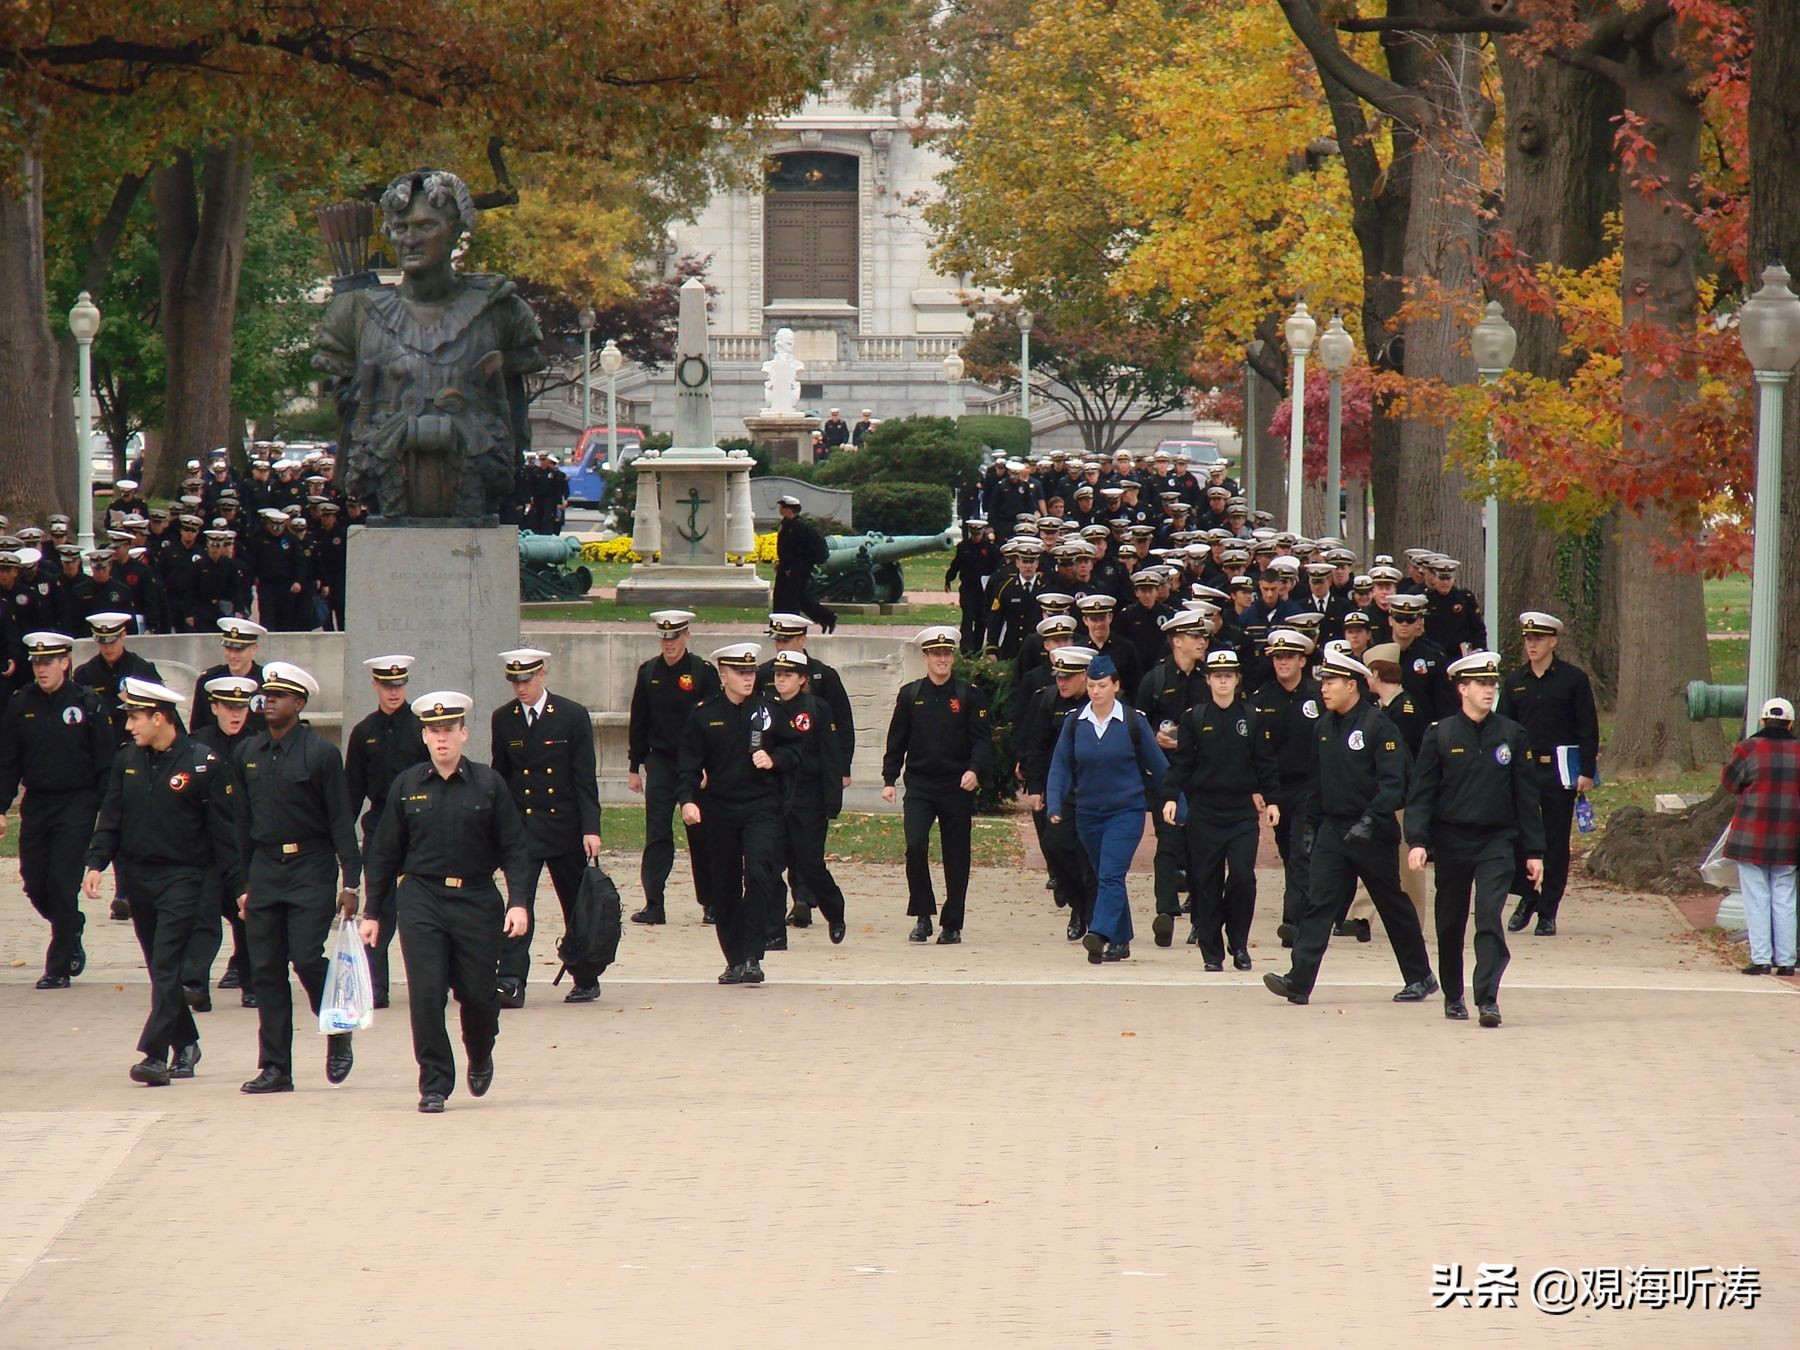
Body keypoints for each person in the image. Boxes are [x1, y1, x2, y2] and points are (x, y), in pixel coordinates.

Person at [361, 691, 533, 1113]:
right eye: (434, 731)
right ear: (425, 736)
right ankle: (434, 1082)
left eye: (449, 731)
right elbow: (383, 854)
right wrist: (372, 912)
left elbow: (515, 848)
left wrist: (519, 902)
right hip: (422, 898)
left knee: (476, 995)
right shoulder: (408, 785)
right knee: (426, 993)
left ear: (463, 734)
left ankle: (480, 1049)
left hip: (476, 898)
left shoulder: (489, 784)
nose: (442, 739)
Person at [85, 677, 241, 1086]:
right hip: (140, 878)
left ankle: (154, 1055)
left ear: (160, 717)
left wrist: (240, 886)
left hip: (185, 877)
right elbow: (112, 816)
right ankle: (186, 1043)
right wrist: (97, 862)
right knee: (160, 969)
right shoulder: (128, 760)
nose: (129, 726)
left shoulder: (202, 762)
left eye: (135, 717)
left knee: (169, 962)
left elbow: (225, 832)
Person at [1263, 648, 1438, 1007]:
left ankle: (1420, 976)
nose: (1324, 689)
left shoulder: (1378, 725)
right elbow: (1317, 781)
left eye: (1331, 682)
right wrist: (1311, 826)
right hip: (1333, 828)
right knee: (1320, 903)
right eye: (1323, 682)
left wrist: (1371, 819)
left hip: (1371, 832)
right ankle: (1300, 980)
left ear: (1352, 685)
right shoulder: (1324, 726)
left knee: (1391, 904)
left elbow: (1396, 783)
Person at [228, 661, 362, 1094]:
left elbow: (341, 819)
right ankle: (276, 1067)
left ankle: (337, 1029)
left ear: (300, 703)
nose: (269, 701)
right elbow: (242, 824)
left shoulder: (320, 754)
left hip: (310, 865)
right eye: (267, 694)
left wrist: (351, 882)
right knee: (265, 969)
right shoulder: (248, 752)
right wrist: (243, 885)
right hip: (266, 868)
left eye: (281, 695)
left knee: (306, 958)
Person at [1405, 652, 1545, 1027]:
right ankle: (1453, 994)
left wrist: (1533, 852)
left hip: (1496, 841)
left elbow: (1526, 797)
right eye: (1481, 684)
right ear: (1462, 688)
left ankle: (1487, 997)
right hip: (1452, 840)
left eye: (1492, 684)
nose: (1489, 690)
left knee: (1488, 915)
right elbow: (1422, 793)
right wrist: (1417, 840)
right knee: (1449, 921)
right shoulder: (1440, 734)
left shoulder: (1512, 735)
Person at [0, 632, 116, 989]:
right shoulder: (21, 703)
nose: (41, 669)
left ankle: (58, 966)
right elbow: (8, 761)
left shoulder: (87, 704)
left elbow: (105, 762)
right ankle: (71, 926)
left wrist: (104, 811)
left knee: (63, 884)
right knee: (35, 882)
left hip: (77, 803)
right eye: (36, 662)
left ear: (65, 662)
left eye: (48, 661)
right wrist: (1, 808)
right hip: (37, 802)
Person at [490, 647, 603, 1006]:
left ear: (542, 675)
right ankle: (510, 979)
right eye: (514, 681)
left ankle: (584, 976)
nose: (520, 687)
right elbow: (503, 776)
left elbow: (585, 777)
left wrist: (591, 828)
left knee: (576, 905)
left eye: (526, 679)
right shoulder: (504, 718)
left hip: (564, 826)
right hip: (523, 827)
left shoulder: (570, 715)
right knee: (518, 903)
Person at [1046, 653, 1167, 964]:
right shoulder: (1075, 722)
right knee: (1105, 874)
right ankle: (1122, 940)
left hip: (1126, 811)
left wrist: (1176, 803)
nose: (1096, 691)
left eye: (1102, 685)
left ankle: (1099, 934)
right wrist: (1055, 803)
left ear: (1116, 686)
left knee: (1111, 874)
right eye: (1091, 685)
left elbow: (1161, 767)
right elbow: (1060, 765)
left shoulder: (1132, 722)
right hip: (1088, 813)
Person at [1162, 648, 1279, 970]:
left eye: (1228, 675)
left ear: (1237, 679)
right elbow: (1181, 763)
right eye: (1217, 676)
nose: (1223, 681)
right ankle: (1211, 952)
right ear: (1209, 680)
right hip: (1205, 812)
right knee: (1206, 882)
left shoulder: (1252, 716)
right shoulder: (1194, 718)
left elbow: (1265, 763)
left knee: (1242, 878)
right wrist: (1171, 796)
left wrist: (1272, 800)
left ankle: (1238, 942)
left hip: (1241, 812)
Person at [677, 642, 783, 985]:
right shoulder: (704, 713)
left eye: (751, 671)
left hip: (760, 806)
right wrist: (687, 800)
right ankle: (734, 957)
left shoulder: (768, 711)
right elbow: (689, 764)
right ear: (723, 676)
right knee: (723, 884)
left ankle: (753, 955)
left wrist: (775, 760)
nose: (748, 678)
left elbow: (795, 749)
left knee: (758, 873)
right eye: (740, 672)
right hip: (719, 809)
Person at [881, 626, 994, 944]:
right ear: (926, 657)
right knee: (915, 846)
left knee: (957, 855)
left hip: (956, 786)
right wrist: (889, 779)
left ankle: (952, 923)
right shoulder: (911, 694)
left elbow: (983, 741)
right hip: (919, 785)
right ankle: (922, 915)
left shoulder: (968, 694)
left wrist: (975, 770)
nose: (941, 659)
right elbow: (897, 740)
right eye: (935, 654)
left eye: (946, 653)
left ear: (952, 656)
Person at [1499, 611, 1599, 937]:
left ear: (1553, 641)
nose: (1532, 645)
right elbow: (1503, 730)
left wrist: (1586, 770)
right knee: (1519, 836)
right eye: (1528, 639)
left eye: (1538, 639)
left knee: (1555, 841)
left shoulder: (1573, 679)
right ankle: (1527, 896)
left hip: (1559, 771)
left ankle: (1548, 909)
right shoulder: (1515, 682)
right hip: (1523, 770)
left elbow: (1587, 727)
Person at [343, 655, 429, 1008]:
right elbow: (352, 790)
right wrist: (342, 838)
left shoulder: (421, 726)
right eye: (386, 685)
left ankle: (432, 981)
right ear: (375, 686)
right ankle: (376, 986)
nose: (393, 692)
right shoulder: (364, 732)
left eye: (399, 685)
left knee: (425, 907)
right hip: (379, 827)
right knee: (378, 907)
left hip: (420, 825)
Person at [627, 612, 719, 925]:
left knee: (701, 830)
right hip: (661, 761)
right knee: (657, 831)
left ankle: (711, 901)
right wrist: (634, 765)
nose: (669, 644)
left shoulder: (703, 672)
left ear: (686, 636)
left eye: (675, 637)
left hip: (696, 762)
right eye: (665, 638)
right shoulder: (649, 671)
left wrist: (710, 763)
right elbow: (639, 720)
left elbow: (714, 722)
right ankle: (654, 902)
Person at [73, 611, 164, 920]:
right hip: (103, 760)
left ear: (123, 636)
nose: (108, 646)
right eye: (102, 641)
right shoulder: (85, 675)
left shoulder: (141, 669)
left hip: (139, 757)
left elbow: (161, 713)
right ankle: (123, 887)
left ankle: (129, 889)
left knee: (138, 821)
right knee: (113, 822)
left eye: (112, 640)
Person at [182, 675, 260, 1008]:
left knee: (249, 918)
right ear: (213, 707)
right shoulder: (196, 746)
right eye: (228, 707)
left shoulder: (259, 744)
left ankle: (253, 982)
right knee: (204, 917)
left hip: (248, 848)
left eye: (240, 707)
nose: (235, 714)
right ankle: (195, 983)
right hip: (208, 848)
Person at [1134, 609, 1209, 946]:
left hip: (1203, 775)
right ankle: (1165, 911)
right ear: (1177, 641)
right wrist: (1156, 737)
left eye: (1203, 636)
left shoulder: (1209, 678)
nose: (1202, 642)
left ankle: (1201, 915)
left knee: (1200, 847)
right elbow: (1139, 723)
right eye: (1195, 637)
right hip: (1166, 773)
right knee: (1168, 840)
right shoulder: (1156, 679)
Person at [767, 650, 849, 944]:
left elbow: (830, 755)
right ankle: (774, 932)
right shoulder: (767, 708)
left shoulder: (817, 709)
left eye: (788, 675)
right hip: (775, 798)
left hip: (808, 798)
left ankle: (834, 911)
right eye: (778, 675)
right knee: (770, 864)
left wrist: (831, 800)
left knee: (809, 863)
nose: (781, 680)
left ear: (802, 679)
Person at [1019, 645, 1099, 940]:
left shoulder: (1100, 702)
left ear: (1085, 676)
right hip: (1060, 789)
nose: (1061, 682)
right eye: (1058, 676)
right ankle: (1078, 906)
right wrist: (1036, 787)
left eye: (1068, 677)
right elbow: (1037, 745)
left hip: (1094, 790)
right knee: (1056, 846)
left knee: (1089, 859)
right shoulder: (1049, 700)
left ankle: (1092, 917)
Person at [1720, 697, 1800, 977]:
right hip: (1791, 834)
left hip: (1752, 834)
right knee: (1784, 895)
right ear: (1790, 723)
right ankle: (1787, 960)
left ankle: (1762, 957)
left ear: (1762, 721)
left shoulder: (1749, 748)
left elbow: (1729, 781)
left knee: (1756, 896)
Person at [1251, 629, 1320, 947]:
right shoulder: (1262, 699)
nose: (1282, 663)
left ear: (1302, 660)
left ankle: (1294, 922)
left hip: (1311, 787)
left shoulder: (1319, 696)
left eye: (1289, 657)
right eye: (1277, 657)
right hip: (1278, 790)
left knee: (1301, 854)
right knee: (1289, 852)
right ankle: (1308, 912)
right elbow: (1257, 752)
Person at [190, 617, 268, 735]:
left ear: (254, 649)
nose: (232, 655)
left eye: (239, 650)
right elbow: (197, 728)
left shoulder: (266, 683)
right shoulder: (208, 680)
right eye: (228, 648)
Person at [772, 496, 836, 633]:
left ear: (788, 509)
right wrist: (782, 563)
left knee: (791, 598)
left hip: (796, 568)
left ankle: (788, 627)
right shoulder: (787, 524)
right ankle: (826, 618)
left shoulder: (798, 526)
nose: (780, 509)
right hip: (788, 566)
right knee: (794, 597)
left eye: (782, 506)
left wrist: (789, 567)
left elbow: (797, 549)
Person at [946, 520, 1000, 655]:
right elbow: (956, 565)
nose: (976, 537)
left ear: (982, 532)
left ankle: (976, 648)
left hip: (983, 590)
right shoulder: (964, 546)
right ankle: (966, 649)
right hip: (968, 588)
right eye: (973, 534)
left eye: (978, 533)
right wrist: (948, 579)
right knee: (967, 618)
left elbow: (996, 569)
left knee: (981, 620)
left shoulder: (990, 548)